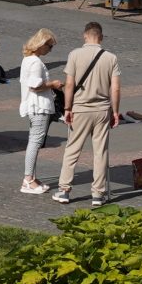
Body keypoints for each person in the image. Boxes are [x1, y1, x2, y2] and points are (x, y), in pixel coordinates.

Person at [50, 22, 122, 206]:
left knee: (72, 150)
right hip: (102, 110)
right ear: (101, 37)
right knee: (100, 152)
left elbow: (69, 85)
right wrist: (115, 112)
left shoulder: (74, 55)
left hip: (80, 109)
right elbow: (115, 88)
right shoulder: (110, 58)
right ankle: (98, 194)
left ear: (85, 35)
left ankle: (64, 190)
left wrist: (67, 109)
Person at [17, 28, 61, 195]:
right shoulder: (35, 62)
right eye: (50, 46)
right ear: (42, 44)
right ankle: (28, 180)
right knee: (35, 142)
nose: (50, 50)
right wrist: (53, 84)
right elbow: (35, 86)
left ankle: (31, 178)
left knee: (34, 141)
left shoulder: (28, 59)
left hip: (33, 105)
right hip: (38, 105)